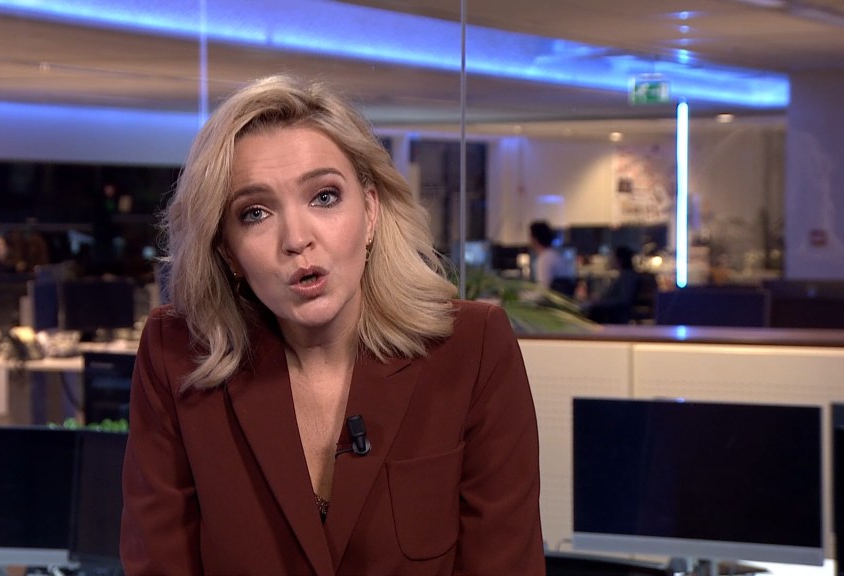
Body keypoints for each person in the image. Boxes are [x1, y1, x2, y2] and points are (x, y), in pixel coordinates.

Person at [120, 75, 545, 575]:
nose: (296, 238)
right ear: (228, 251)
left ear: (370, 212)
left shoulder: (472, 348)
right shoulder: (175, 355)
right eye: (255, 213)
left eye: (323, 197)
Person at [583, 245, 639, 324]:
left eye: (613, 257)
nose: (610, 260)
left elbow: (623, 300)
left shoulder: (628, 277)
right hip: (614, 313)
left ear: (620, 260)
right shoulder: (626, 276)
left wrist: (600, 302)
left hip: (615, 315)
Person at [528, 219, 573, 295]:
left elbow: (543, 292)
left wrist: (523, 297)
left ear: (534, 239)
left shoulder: (544, 260)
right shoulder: (555, 256)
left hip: (551, 301)